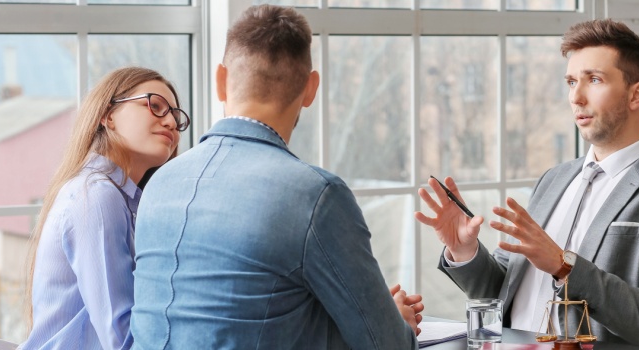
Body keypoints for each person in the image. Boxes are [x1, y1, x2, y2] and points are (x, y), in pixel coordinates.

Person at [130, 5, 423, 349]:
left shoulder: (158, 183)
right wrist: (394, 322)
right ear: (311, 88)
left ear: (220, 81)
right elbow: (386, 345)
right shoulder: (316, 196)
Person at [416, 19, 639, 349]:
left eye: (594, 79)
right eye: (571, 81)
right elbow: (502, 293)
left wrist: (564, 266)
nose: (576, 96)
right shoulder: (554, 179)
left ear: (637, 93)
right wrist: (464, 250)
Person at [21, 66, 189, 350]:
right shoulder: (98, 196)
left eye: (175, 115)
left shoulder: (124, 200)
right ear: (108, 116)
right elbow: (122, 338)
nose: (171, 122)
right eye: (155, 106)